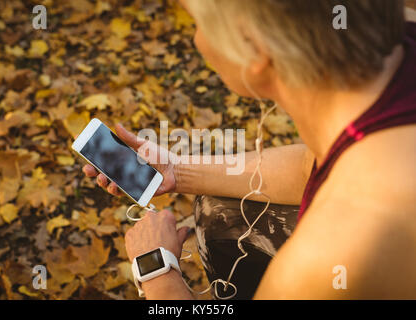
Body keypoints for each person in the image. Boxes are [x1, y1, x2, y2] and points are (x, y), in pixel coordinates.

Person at [83, 0, 416, 299]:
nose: (197, 39)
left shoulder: (329, 255)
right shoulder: (400, 36)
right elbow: (311, 166)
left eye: (196, 21)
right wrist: (177, 171)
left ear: (254, 51)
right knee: (221, 211)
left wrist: (156, 271)